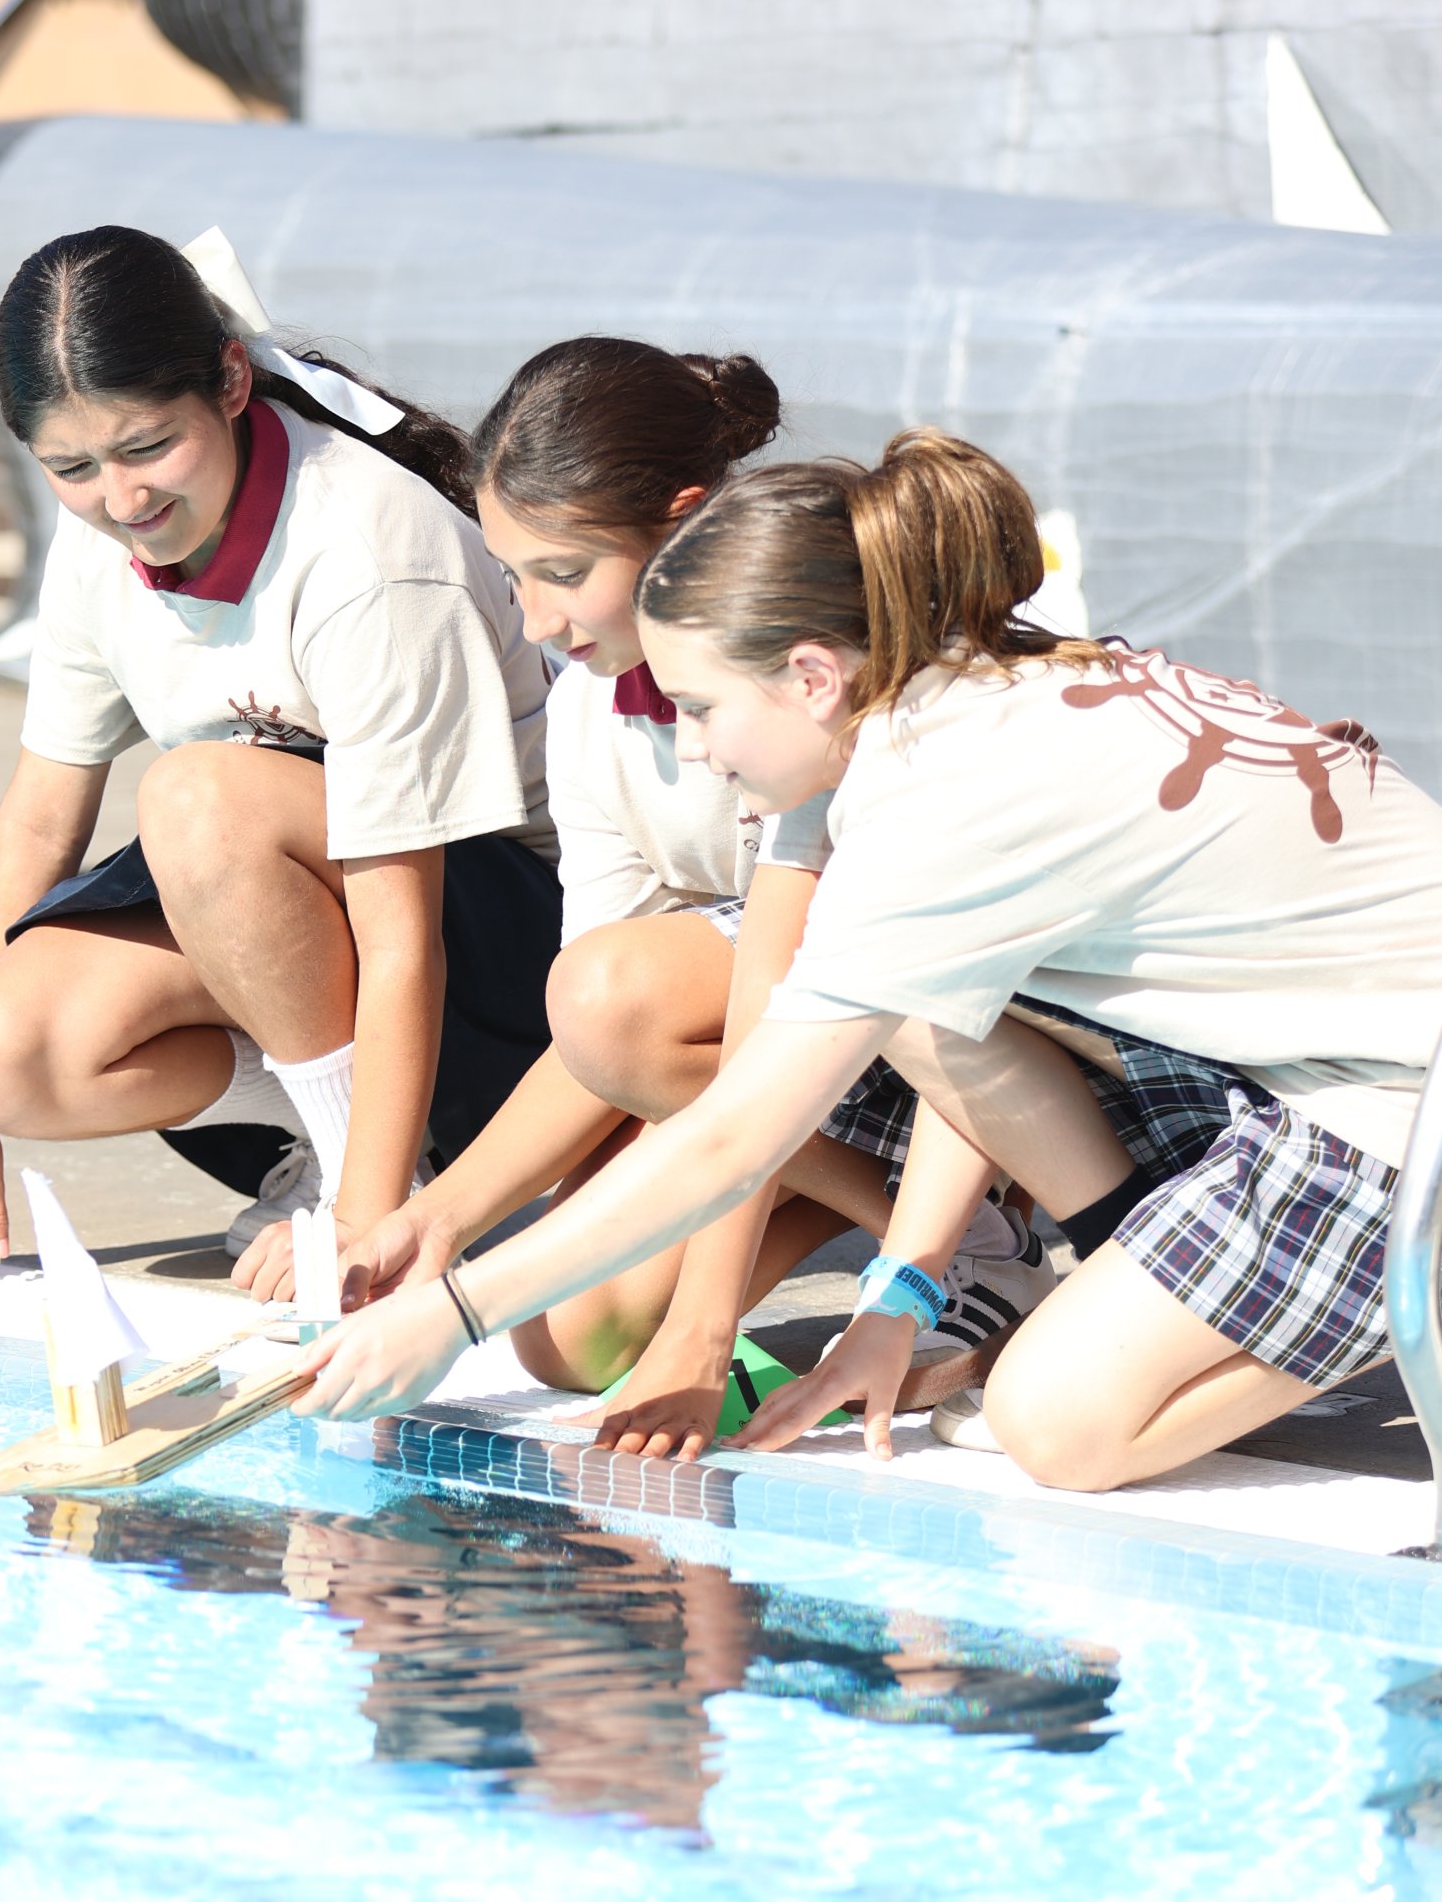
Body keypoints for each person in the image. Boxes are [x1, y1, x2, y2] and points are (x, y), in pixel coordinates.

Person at [294, 428, 1442, 1493]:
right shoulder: (929, 689)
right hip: (1296, 1060)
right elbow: (908, 1026)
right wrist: (896, 1296)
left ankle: (1415, 1286)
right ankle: (1113, 1258)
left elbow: (737, 1136)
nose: (689, 743)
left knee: (1061, 1426)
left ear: (808, 675)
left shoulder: (945, 804)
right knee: (879, 1005)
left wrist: (452, 1313)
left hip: (1401, 1107)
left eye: (696, 706)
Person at [273, 338, 1048, 1462]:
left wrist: (701, 1335)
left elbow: (737, 1029)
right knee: (571, 1338)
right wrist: (441, 1219)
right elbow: (620, 1053)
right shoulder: (597, 700)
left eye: (563, 571)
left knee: (613, 995)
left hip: (964, 1052)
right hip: (812, 1045)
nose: (535, 621)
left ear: (682, 521)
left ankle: (973, 1231)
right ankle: (919, 1217)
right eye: (514, 578)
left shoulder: (834, 689)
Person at [0, 226, 558, 1290]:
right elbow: (38, 819)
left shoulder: (368, 553)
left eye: (150, 447)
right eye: (71, 467)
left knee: (200, 797)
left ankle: (383, 1171)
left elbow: (401, 919)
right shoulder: (104, 537)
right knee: (3, 1046)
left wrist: (360, 1222)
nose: (122, 498)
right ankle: (359, 1147)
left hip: (517, 971)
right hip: (337, 915)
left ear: (233, 382)